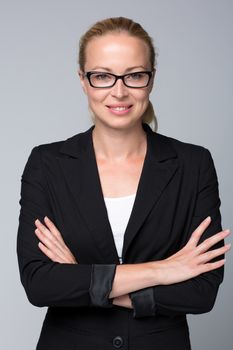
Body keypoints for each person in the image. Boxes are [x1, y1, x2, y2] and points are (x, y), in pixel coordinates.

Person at [17, 17, 231, 350]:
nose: (119, 91)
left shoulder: (193, 164)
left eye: (134, 75)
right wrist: (164, 269)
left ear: (151, 79)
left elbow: (201, 291)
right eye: (102, 76)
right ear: (83, 81)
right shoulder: (48, 164)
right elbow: (40, 284)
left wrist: (83, 277)